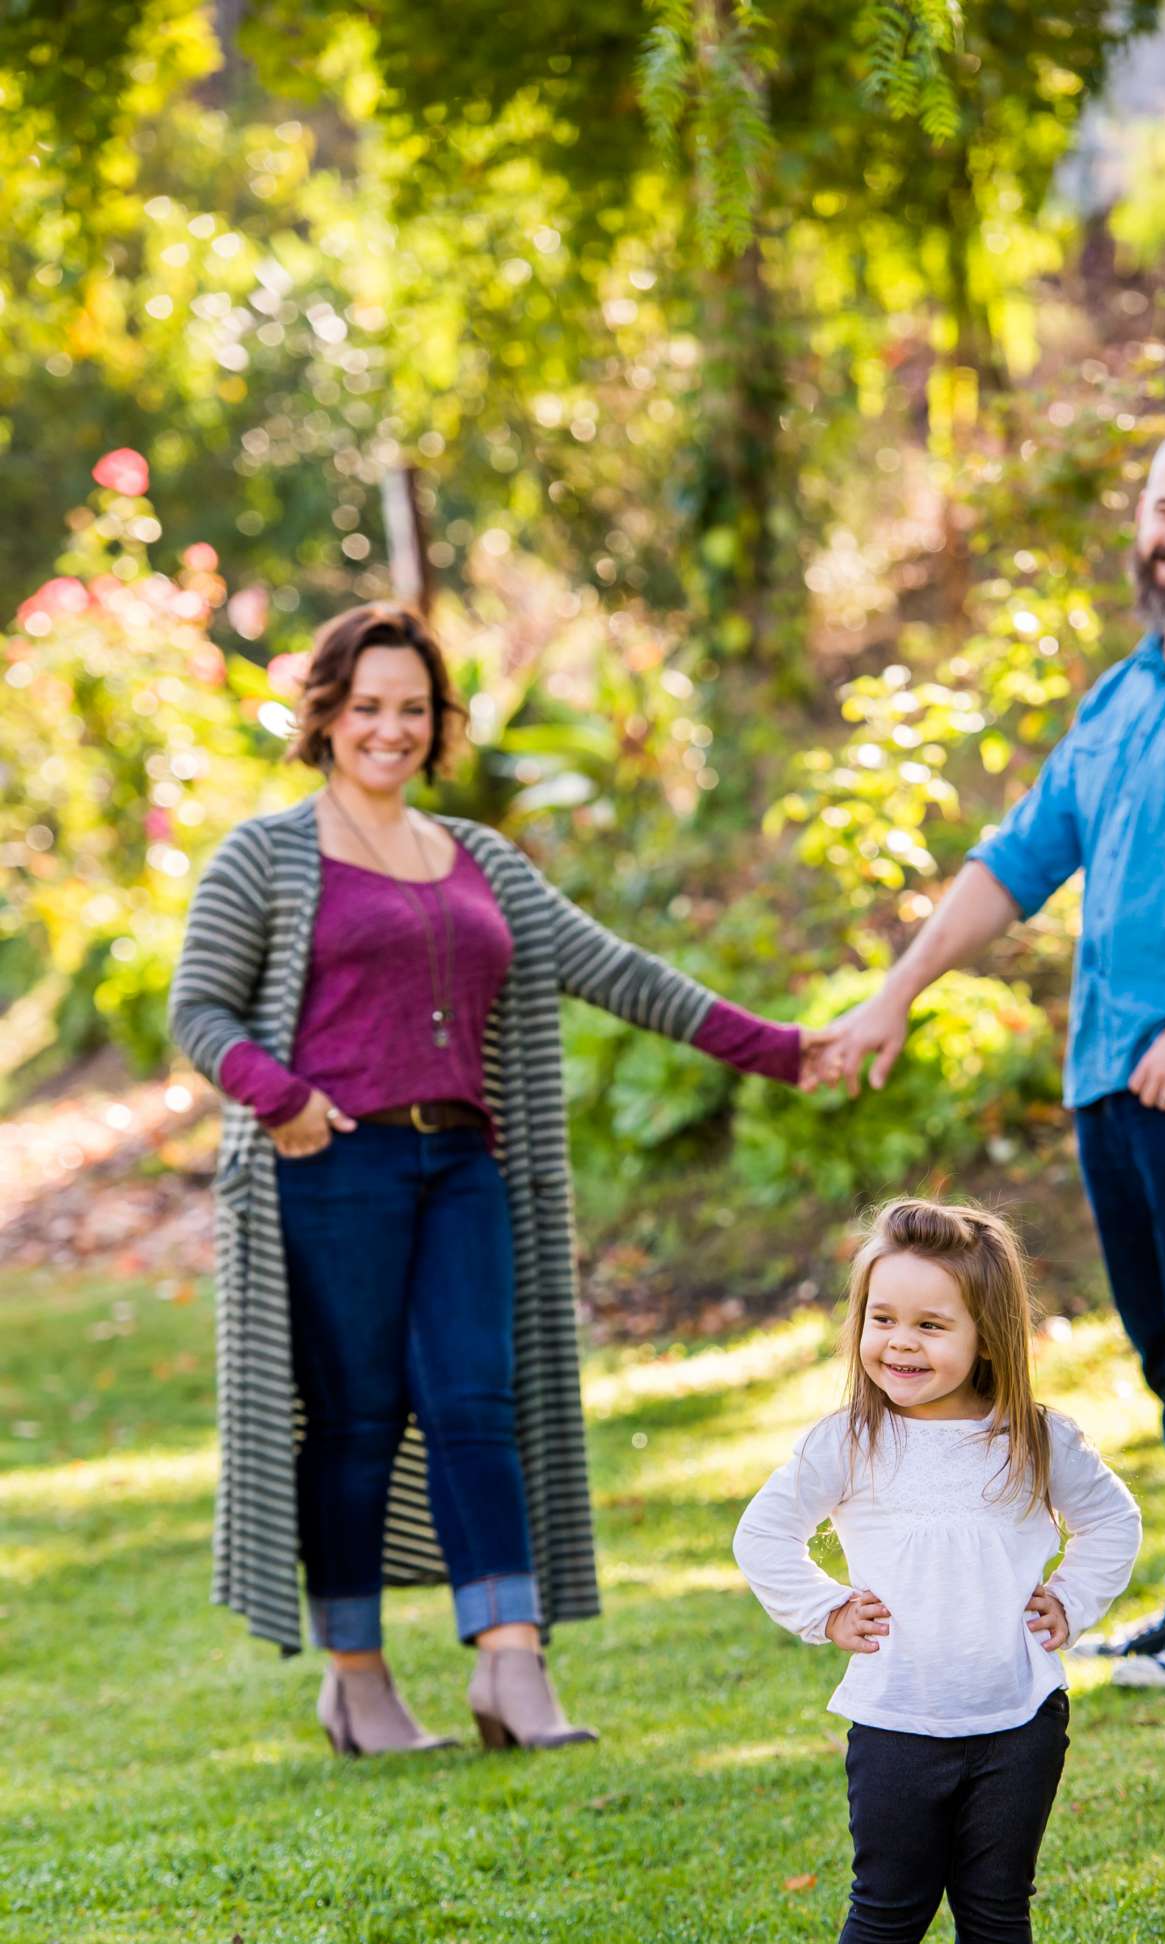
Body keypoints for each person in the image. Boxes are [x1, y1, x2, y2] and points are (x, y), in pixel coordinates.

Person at [171, 603, 843, 1756]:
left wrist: (776, 1047)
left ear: (440, 725)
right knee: (355, 1422)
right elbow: (199, 1008)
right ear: (326, 716)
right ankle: (358, 1678)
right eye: (368, 706)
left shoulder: (477, 858)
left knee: (480, 1403)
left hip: (464, 1167)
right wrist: (280, 1099)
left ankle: (512, 1665)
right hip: (333, 1164)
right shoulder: (266, 855)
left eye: (414, 709)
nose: (391, 728)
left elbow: (610, 967)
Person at [822, 424, 1165, 1687]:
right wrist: (896, 991)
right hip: (1110, 1068)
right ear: (1142, 518)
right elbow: (1015, 861)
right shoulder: (1121, 696)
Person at [734, 1198, 1141, 1944]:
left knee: (997, 1900)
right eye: (883, 1320)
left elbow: (1115, 1521)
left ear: (987, 1334)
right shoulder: (849, 1440)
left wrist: (1071, 1600)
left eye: (930, 1324)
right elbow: (764, 1535)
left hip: (1017, 1719)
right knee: (887, 1899)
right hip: (897, 1719)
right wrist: (826, 1608)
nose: (900, 1344)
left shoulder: (1035, 1437)